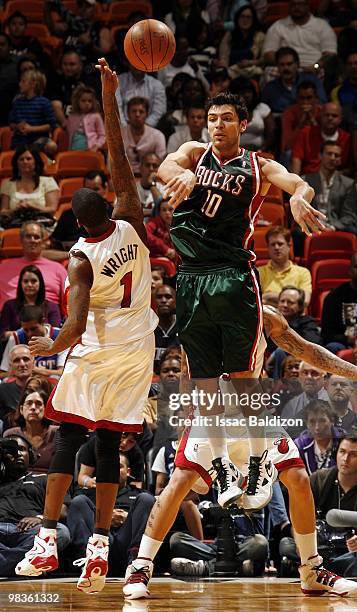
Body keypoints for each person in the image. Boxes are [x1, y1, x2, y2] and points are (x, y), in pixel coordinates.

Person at [123, 307, 357, 599]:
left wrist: (355, 372)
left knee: (297, 477)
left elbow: (305, 349)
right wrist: (182, 424)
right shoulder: (201, 312)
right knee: (179, 481)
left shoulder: (264, 315)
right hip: (211, 412)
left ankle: (311, 570)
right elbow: (186, 372)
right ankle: (140, 566)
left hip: (253, 411)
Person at [14, 57, 158, 595]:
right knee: (106, 444)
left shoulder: (78, 259)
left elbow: (73, 326)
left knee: (70, 434)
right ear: (111, 209)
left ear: (77, 223)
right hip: (138, 349)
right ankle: (99, 546)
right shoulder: (133, 223)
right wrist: (109, 94)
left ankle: (47, 541)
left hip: (97, 351)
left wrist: (51, 343)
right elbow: (119, 153)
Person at [156, 89, 327, 512]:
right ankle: (224, 470)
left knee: (245, 380)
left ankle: (257, 462)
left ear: (242, 123)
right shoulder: (194, 153)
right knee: (206, 389)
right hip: (192, 277)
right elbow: (165, 165)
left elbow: (295, 180)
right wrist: (182, 175)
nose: (217, 124)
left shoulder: (258, 165)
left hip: (233, 277)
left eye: (227, 118)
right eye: (212, 117)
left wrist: (300, 194)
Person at [280, 434, 357, 577]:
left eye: (353, 455)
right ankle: (337, 570)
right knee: (287, 545)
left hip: (352, 547)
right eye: (342, 452)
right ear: (336, 453)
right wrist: (301, 544)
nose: (345, 459)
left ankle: (321, 571)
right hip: (321, 545)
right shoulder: (320, 479)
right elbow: (299, 518)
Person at [67, 453, 156, 575]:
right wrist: (105, 518)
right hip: (98, 541)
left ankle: (137, 561)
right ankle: (89, 561)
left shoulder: (139, 494)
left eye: (119, 466)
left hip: (127, 541)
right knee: (78, 502)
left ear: (128, 471)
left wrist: (128, 516)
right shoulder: (88, 494)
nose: (113, 470)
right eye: (110, 466)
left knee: (147, 499)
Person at [0, 434, 70, 576]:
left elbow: (63, 510)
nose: (17, 454)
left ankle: (7, 565)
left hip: (30, 531)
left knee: (60, 532)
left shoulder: (44, 479)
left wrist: (40, 518)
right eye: (11, 450)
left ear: (31, 455)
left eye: (22, 449)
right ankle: (26, 565)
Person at [0, 221, 67, 311]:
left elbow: (68, 302)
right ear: (21, 240)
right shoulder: (3, 267)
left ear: (43, 241)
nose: (32, 240)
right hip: (10, 320)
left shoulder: (58, 269)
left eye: (36, 237)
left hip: (47, 320)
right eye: (28, 237)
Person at [302, 141, 357, 237]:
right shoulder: (306, 180)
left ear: (340, 159)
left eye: (336, 155)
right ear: (320, 156)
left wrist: (333, 227)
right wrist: (314, 226)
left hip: (336, 225)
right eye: (329, 154)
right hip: (312, 224)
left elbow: (349, 215)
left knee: (354, 232)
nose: (332, 158)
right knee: (297, 234)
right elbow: (302, 210)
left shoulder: (348, 184)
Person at [262, 0, 337, 71]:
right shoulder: (277, 26)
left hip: (314, 68)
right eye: (293, 4)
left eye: (300, 4)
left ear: (307, 5)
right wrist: (286, 66)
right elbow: (268, 54)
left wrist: (315, 66)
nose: (297, 7)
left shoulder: (322, 26)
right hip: (284, 69)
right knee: (269, 71)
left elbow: (330, 55)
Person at [0, 304, 67, 379]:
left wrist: (34, 370)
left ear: (42, 321)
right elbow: (3, 373)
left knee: (55, 377)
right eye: (26, 330)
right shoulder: (16, 337)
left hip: (51, 384)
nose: (29, 333)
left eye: (33, 329)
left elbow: (63, 372)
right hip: (23, 385)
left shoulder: (59, 336)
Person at [51, 170, 111, 252]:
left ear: (105, 188)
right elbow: (55, 244)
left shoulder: (114, 215)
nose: (92, 194)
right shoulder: (68, 215)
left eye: (96, 189)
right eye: (88, 190)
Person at [0, 145, 60, 225]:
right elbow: (3, 211)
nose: (25, 162)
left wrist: (31, 206)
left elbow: (52, 209)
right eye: (21, 159)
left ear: (36, 161)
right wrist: (16, 209)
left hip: (42, 224)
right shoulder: (8, 183)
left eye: (29, 159)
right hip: (14, 224)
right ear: (16, 163)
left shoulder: (48, 182)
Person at [4, 387, 58, 473]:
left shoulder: (57, 433)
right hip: (18, 483)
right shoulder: (11, 435)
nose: (33, 407)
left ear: (45, 409)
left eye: (38, 404)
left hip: (48, 483)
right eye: (29, 403)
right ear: (21, 410)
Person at [0, 265, 61, 338]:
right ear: (20, 284)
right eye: (25, 281)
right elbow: (2, 333)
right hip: (17, 346)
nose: (29, 285)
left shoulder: (52, 306)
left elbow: (54, 333)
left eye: (33, 281)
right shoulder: (9, 305)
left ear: (40, 283)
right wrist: (20, 335)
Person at [261, 46, 327, 114]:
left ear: (297, 65)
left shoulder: (312, 80)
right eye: (282, 65)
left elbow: (323, 104)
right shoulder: (270, 88)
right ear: (277, 66)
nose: (286, 68)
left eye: (289, 64)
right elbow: (263, 110)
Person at [257, 226, 312, 306]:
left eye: (280, 244)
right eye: (272, 244)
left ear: (289, 246)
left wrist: (268, 296)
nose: (276, 247)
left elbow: (305, 301)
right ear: (268, 248)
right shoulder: (258, 272)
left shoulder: (303, 272)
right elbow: (256, 302)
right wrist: (291, 300)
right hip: (267, 317)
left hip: (295, 318)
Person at [291, 102, 350, 174]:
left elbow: (348, 167)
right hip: (308, 178)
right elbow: (296, 159)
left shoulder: (347, 138)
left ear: (340, 119)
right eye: (326, 115)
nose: (330, 118)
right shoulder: (306, 133)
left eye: (334, 116)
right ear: (320, 116)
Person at [9, 69, 57, 156]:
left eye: (23, 81)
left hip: (39, 140)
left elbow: (51, 125)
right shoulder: (17, 102)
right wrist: (18, 126)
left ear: (33, 84)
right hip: (20, 141)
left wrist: (31, 129)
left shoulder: (44, 102)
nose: (20, 84)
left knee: (51, 146)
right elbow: (11, 124)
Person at [294, 399, 345, 475]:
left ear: (332, 421)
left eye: (322, 421)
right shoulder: (299, 445)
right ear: (307, 423)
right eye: (312, 421)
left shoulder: (345, 442)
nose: (317, 427)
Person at [218, 4, 265, 80]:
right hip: (231, 71)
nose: (245, 20)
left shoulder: (260, 36)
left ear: (253, 20)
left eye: (248, 17)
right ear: (237, 19)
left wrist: (250, 63)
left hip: (250, 71)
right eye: (242, 16)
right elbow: (223, 57)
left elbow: (264, 60)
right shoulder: (229, 35)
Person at [120, 97, 166, 175]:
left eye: (141, 112)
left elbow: (161, 164)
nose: (137, 115)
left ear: (147, 114)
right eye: (134, 111)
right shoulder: (119, 135)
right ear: (127, 114)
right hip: (125, 177)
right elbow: (113, 162)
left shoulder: (158, 136)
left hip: (150, 176)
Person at [229, 77, 275, 152]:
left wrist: (262, 150)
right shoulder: (227, 111)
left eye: (249, 92)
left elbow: (271, 134)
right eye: (243, 92)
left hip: (259, 152)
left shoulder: (262, 108)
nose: (247, 95)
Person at [0, 345, 34, 431]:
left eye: (26, 359)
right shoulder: (2, 391)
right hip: (11, 439)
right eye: (16, 360)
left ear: (33, 362)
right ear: (10, 366)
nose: (22, 364)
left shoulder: (45, 387)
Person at [66, 84, 105, 152]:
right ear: (77, 101)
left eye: (90, 101)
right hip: (73, 150)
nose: (87, 103)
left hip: (91, 150)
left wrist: (97, 146)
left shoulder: (96, 116)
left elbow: (102, 135)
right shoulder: (72, 117)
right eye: (83, 101)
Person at [153, 285, 180, 372]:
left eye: (168, 297)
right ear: (153, 302)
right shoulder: (146, 327)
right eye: (159, 297)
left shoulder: (184, 327)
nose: (163, 300)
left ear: (176, 301)